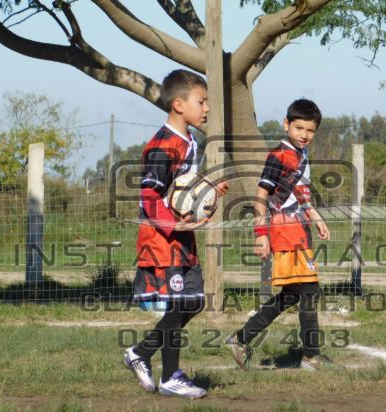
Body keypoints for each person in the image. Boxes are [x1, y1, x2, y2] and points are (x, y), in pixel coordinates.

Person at [123, 69, 228, 398]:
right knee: (180, 302)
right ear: (179, 105)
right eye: (202, 101)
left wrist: (208, 191)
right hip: (162, 239)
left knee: (194, 302)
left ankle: (141, 352)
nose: (207, 108)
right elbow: (149, 195)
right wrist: (173, 224)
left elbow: (182, 189)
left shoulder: (189, 141)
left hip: (183, 238)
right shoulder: (163, 145)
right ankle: (171, 377)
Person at [225, 98, 332, 371]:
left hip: (300, 231)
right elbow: (261, 196)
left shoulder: (301, 155)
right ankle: (311, 356)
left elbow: (301, 197)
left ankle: (240, 339)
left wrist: (317, 219)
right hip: (285, 232)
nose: (304, 135)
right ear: (286, 124)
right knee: (309, 290)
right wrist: (261, 233)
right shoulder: (278, 156)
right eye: (299, 128)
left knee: (292, 294)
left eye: (310, 130)